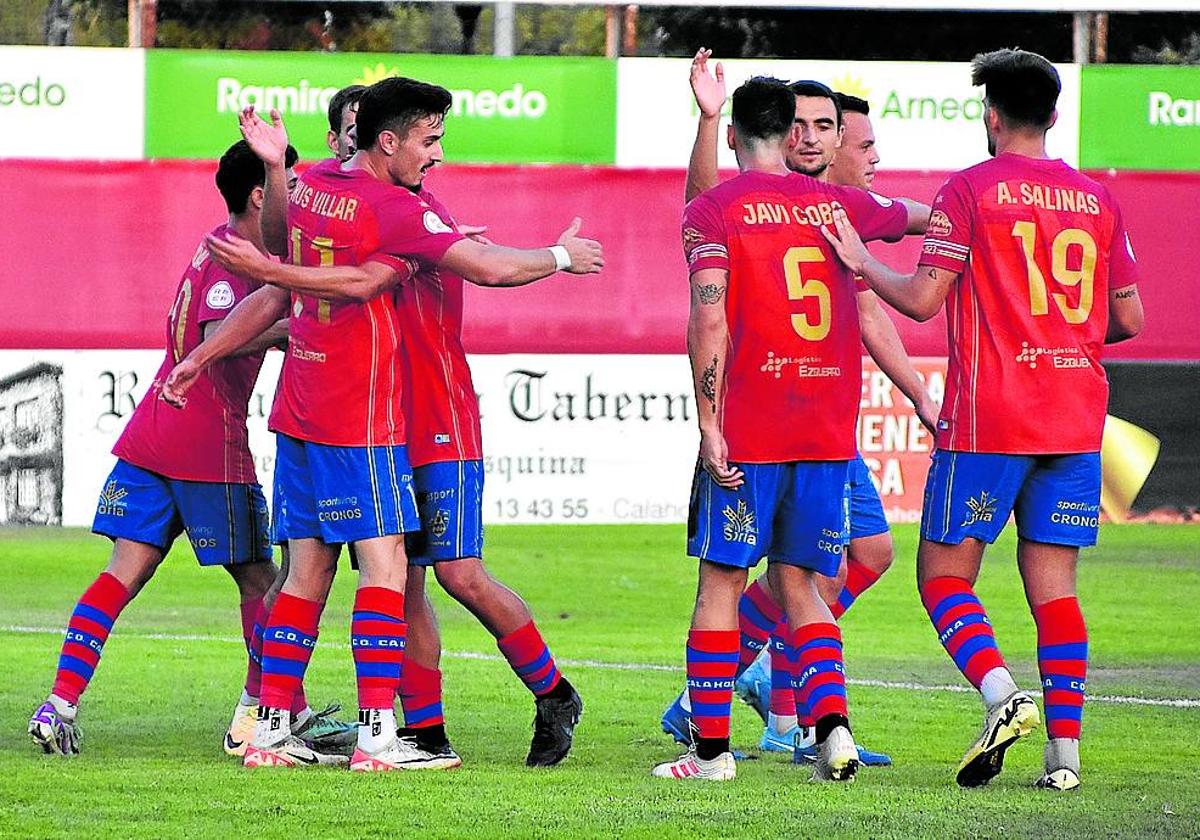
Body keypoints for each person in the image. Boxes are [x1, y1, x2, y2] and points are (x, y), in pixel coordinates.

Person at [163, 76, 602, 771]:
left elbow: (466, 261)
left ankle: (551, 692)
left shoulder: (409, 210)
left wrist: (546, 255)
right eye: (429, 141)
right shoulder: (351, 199)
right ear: (372, 139)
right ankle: (412, 732)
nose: (437, 155)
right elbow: (293, 274)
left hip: (434, 416)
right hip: (368, 414)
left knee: (452, 573)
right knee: (392, 575)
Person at [820, 48, 1143, 791]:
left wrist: (858, 262)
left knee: (943, 579)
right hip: (1072, 421)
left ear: (990, 117)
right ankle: (1064, 760)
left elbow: (925, 298)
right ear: (1053, 116)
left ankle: (1002, 695)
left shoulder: (969, 191)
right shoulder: (1098, 200)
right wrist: (1064, 336)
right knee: (1055, 590)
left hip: (989, 420)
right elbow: (1128, 317)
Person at [662, 50, 936, 768]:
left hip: (751, 431)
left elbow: (709, 321)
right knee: (804, 585)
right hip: (823, 434)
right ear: (789, 137)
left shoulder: (713, 210)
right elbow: (915, 217)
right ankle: (832, 729)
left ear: (733, 140)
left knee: (721, 582)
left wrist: (708, 422)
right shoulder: (841, 205)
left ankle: (711, 753)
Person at [27, 140, 315, 756]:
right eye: (289, 184)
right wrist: (301, 326)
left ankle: (59, 703)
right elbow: (215, 334)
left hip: (153, 432)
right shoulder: (238, 261)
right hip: (205, 443)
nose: (298, 195)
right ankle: (266, 715)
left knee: (121, 575)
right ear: (260, 196)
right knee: (263, 579)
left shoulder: (226, 245)